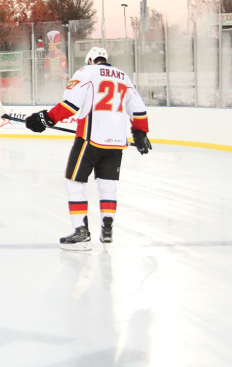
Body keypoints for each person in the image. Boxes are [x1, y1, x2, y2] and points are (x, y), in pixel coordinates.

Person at [26, 46, 150, 250]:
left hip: (90, 139)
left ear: (90, 60)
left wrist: (46, 118)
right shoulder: (123, 77)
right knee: (108, 186)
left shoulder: (86, 72)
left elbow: (70, 105)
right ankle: (107, 229)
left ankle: (81, 231)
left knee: (74, 183)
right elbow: (138, 108)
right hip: (116, 142)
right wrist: (140, 132)